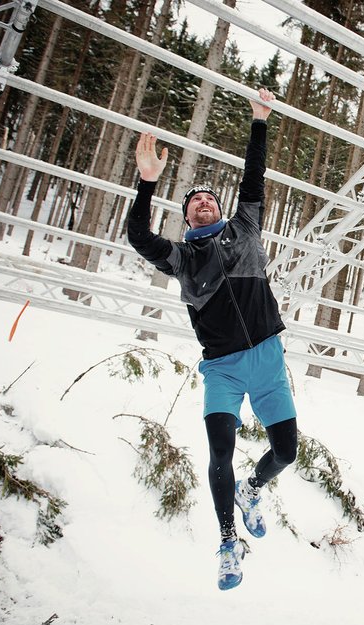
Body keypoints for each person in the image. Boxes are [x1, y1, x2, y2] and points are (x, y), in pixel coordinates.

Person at [128, 88, 298, 591]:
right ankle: (228, 542)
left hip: (267, 360)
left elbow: (253, 176)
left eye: (209, 198)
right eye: (193, 201)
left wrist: (259, 120)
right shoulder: (180, 257)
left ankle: (253, 489)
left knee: (286, 452)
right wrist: (146, 184)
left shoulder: (246, 228)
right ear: (186, 218)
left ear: (221, 210)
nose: (202, 201)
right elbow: (138, 235)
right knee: (219, 449)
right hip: (222, 368)